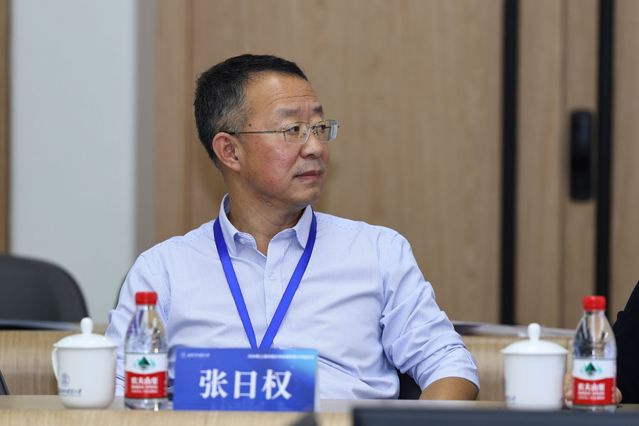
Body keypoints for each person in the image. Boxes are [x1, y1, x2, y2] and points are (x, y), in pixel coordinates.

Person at [106, 54, 479, 400]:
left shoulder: (379, 253)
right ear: (230, 151)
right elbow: (117, 390)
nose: (315, 147)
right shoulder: (162, 271)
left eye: (319, 127)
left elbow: (449, 365)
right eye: (293, 129)